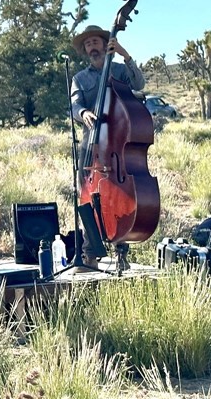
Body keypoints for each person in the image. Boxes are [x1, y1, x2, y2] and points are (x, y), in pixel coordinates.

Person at [69, 24, 145, 266]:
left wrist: (125, 54)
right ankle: (90, 254)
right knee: (88, 197)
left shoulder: (120, 71)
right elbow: (74, 105)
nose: (92, 46)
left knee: (120, 194)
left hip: (119, 143)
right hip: (91, 145)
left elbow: (139, 84)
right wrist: (83, 113)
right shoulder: (80, 78)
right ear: (85, 49)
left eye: (95, 42)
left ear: (104, 44)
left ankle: (122, 251)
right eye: (87, 44)